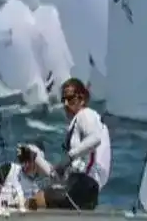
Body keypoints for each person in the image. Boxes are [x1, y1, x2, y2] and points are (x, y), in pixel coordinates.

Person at [32, 77, 110, 210]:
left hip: (83, 185)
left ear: (82, 98)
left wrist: (68, 158)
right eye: (64, 100)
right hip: (85, 189)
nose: (66, 104)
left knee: (35, 201)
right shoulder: (82, 121)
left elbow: (96, 139)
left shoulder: (85, 114)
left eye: (71, 98)